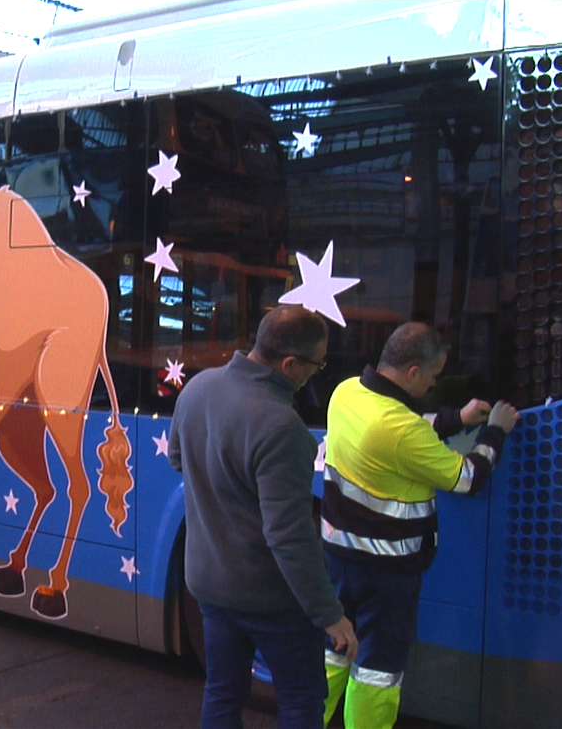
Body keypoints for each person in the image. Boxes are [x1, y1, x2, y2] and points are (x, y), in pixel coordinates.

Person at [168, 304, 359, 729]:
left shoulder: (196, 389)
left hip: (210, 586)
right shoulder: (282, 427)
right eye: (317, 364)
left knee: (221, 693)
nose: (316, 373)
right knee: (300, 700)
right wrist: (330, 614)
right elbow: (288, 537)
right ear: (290, 364)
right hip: (271, 599)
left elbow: (178, 459)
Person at [320, 322, 519, 729]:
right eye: (432, 376)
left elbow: (402, 429)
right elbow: (467, 477)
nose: (433, 384)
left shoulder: (347, 392)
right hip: (387, 574)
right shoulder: (400, 429)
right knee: (377, 671)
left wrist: (454, 418)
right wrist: (496, 430)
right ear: (412, 371)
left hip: (338, 559)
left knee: (333, 652)